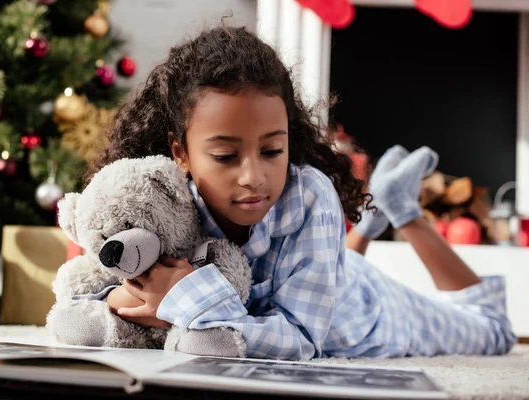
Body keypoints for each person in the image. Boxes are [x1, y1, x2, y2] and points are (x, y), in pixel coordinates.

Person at [97, 25, 516, 360]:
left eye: (272, 150)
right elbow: (101, 282)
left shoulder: (310, 195)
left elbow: (300, 338)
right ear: (180, 153)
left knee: (493, 330)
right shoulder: (162, 198)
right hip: (330, 272)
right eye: (225, 155)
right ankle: (373, 219)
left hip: (367, 309)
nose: (253, 177)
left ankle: (401, 210)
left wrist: (180, 300)